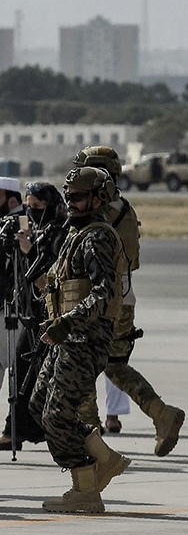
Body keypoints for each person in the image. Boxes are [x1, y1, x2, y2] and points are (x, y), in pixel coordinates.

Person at [28, 166, 130, 514]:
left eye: (78, 196)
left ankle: (85, 485)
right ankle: (105, 457)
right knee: (39, 404)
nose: (70, 202)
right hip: (68, 337)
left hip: (85, 339)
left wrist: (68, 322)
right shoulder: (77, 234)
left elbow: (104, 292)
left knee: (58, 413)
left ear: (98, 199)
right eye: (67, 196)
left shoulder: (98, 237)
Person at [72, 146, 184, 456]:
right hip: (123, 297)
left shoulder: (98, 213)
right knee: (116, 366)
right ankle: (161, 413)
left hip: (96, 298)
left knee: (81, 367)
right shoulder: (124, 208)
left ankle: (91, 447)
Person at [0, 181, 62, 451]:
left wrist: (29, 252)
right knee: (24, 370)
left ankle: (24, 432)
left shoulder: (59, 234)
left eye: (37, 207)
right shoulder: (37, 230)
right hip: (35, 314)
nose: (32, 213)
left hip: (53, 316)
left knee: (42, 377)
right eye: (29, 207)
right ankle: (14, 431)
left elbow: (46, 280)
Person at [0, 176, 25, 433]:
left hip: (17, 303)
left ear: (11, 200)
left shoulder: (22, 223)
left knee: (14, 359)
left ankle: (13, 418)